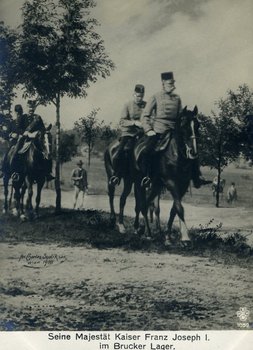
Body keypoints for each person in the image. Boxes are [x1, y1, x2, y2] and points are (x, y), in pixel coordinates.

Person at [140, 71, 210, 188]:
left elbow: (180, 116)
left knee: (192, 149)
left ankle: (196, 177)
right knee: (148, 151)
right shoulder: (155, 97)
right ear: (163, 83)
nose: (172, 85)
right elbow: (145, 116)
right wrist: (148, 129)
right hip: (158, 130)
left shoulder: (177, 98)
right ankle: (147, 177)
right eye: (169, 83)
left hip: (174, 131)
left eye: (173, 83)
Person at [110, 84, 146, 185]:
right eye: (138, 96)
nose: (140, 98)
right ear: (133, 94)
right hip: (129, 133)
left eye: (141, 96)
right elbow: (122, 121)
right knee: (121, 151)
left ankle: (147, 177)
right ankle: (116, 175)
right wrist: (134, 123)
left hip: (142, 133)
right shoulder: (127, 105)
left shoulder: (146, 105)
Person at [11, 100, 54, 181]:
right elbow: (17, 129)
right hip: (25, 139)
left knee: (47, 151)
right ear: (27, 107)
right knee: (16, 151)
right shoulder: (22, 117)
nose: (31, 109)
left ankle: (48, 172)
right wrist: (26, 133)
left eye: (33, 107)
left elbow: (42, 128)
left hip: (36, 140)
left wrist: (45, 131)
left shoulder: (38, 117)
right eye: (30, 107)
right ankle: (15, 171)